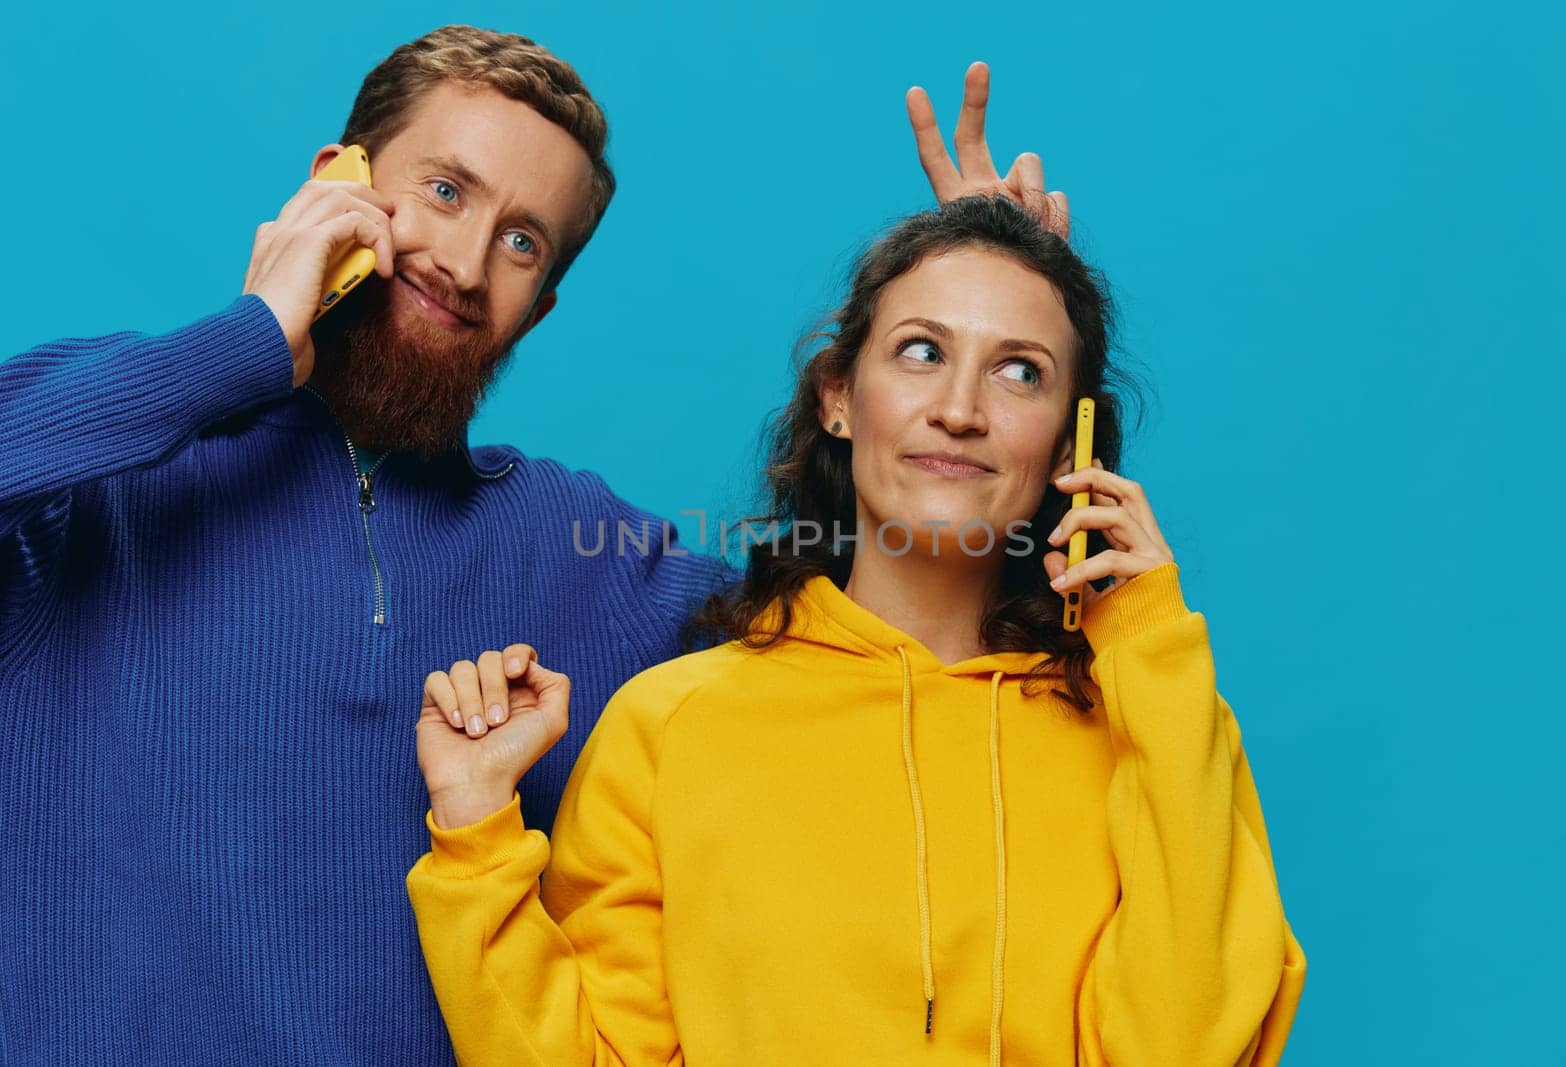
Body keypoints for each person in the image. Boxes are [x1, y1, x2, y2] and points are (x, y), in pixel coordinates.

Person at [0, 22, 1063, 1062]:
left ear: (540, 306)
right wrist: (249, 341)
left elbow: (894, 625)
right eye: (445, 191)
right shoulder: (99, 479)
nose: (464, 263)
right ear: (337, 178)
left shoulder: (587, 554)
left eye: (520, 241)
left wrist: (991, 308)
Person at [407, 195, 1307, 1064]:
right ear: (840, 395)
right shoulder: (674, 725)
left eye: (1020, 370)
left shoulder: (1149, 727)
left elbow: (1191, 1043)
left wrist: (1147, 634)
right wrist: (478, 832)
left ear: (1071, 449)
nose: (960, 407)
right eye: (921, 351)